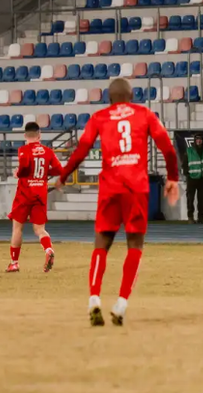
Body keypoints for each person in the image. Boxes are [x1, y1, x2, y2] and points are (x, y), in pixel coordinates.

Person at [58, 78, 180, 327]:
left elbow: (82, 149)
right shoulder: (144, 114)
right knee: (135, 245)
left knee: (101, 244)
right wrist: (173, 178)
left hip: (110, 187)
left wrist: (64, 174)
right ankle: (121, 304)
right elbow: (167, 148)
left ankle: (94, 299)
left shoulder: (100, 117)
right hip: (136, 187)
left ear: (109, 98)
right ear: (132, 96)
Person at [7, 122, 63, 274]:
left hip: (25, 193)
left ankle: (14, 263)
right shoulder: (48, 151)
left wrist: (18, 174)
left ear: (25, 135)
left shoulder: (23, 150)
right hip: (40, 193)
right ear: (39, 135)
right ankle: (48, 249)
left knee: (17, 228)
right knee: (39, 229)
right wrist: (44, 172)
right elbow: (59, 169)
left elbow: (24, 167)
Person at [183, 132, 203, 224]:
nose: (199, 141)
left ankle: (201, 217)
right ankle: (190, 217)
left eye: (200, 139)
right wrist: (187, 174)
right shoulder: (189, 151)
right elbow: (184, 164)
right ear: (195, 141)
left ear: (202, 141)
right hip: (192, 178)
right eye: (197, 139)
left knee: (201, 199)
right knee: (190, 198)